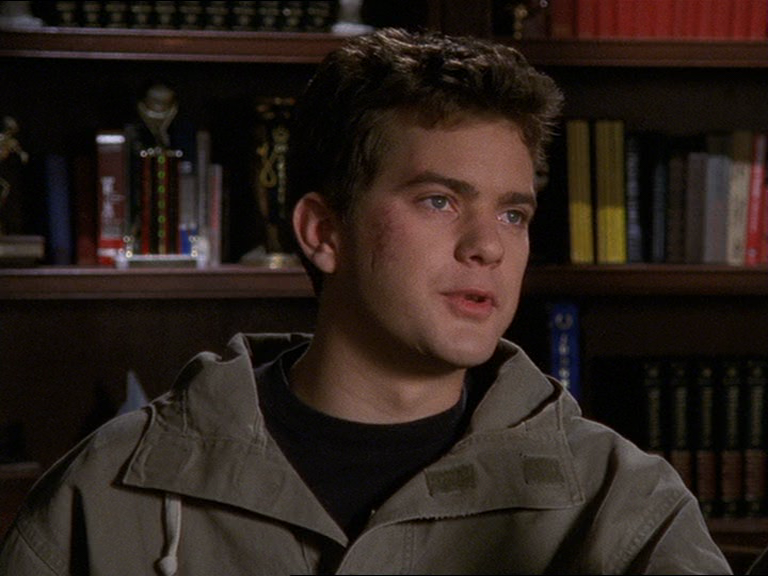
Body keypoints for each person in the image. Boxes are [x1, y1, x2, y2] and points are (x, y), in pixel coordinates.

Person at [0, 28, 731, 575]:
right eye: (439, 200)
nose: (489, 246)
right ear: (324, 232)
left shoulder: (622, 507)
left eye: (513, 213)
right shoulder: (107, 493)